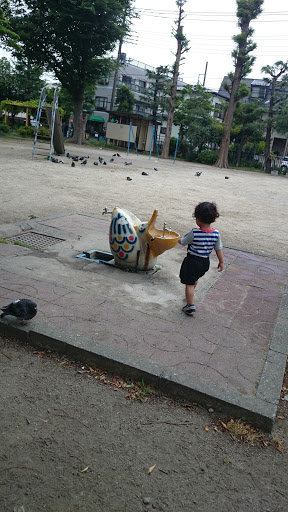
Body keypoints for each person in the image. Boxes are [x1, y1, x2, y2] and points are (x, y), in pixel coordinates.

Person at [178, 201, 224, 316]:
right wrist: (221, 262)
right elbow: (218, 249)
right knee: (194, 279)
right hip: (205, 262)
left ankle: (190, 306)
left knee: (189, 282)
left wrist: (177, 237)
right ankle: (191, 296)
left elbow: (183, 242)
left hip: (192, 261)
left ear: (197, 218)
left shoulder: (194, 232)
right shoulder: (216, 233)